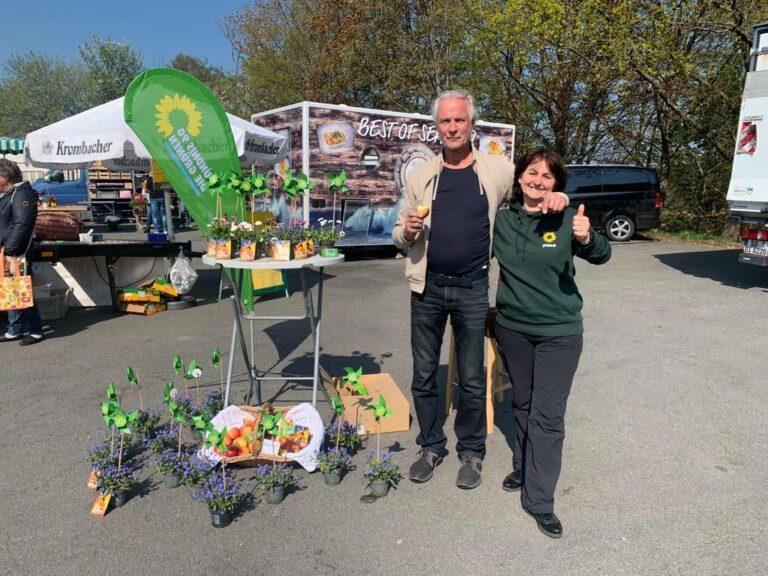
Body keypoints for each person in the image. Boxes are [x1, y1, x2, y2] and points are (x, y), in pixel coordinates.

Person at [392, 90, 568, 489]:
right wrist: (407, 231)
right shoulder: (420, 176)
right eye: (444, 121)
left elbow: (534, 189)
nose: (452, 127)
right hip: (427, 289)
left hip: (472, 288)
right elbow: (398, 236)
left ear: (472, 125)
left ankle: (471, 452)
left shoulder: (497, 170)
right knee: (423, 374)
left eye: (459, 120)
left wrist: (560, 196)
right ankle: (431, 445)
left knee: (472, 378)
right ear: (436, 127)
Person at [493, 148, 611, 538]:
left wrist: (588, 236)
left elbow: (602, 255)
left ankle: (539, 499)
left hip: (559, 332)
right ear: (520, 177)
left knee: (548, 415)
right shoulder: (503, 220)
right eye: (532, 172)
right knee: (523, 404)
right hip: (513, 329)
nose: (538, 180)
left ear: (556, 184)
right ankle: (524, 466)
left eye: (547, 176)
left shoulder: (566, 218)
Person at [0, 159, 45, 345]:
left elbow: (23, 224)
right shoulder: (10, 193)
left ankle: (36, 331)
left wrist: (10, 249)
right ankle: (14, 329)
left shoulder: (21, 194)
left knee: (21, 289)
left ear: (5, 176)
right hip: (8, 250)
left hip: (16, 252)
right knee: (11, 290)